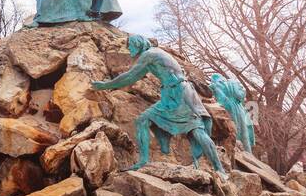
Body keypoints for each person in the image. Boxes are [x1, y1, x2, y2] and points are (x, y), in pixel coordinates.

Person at [92, 34, 226, 173]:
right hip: (175, 93)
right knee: (142, 120)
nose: (129, 49)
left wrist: (104, 85)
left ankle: (219, 169)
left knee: (197, 130)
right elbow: (134, 77)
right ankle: (143, 161)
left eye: (130, 45)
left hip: (178, 93)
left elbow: (130, 76)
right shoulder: (155, 54)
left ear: (138, 44)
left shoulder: (149, 54)